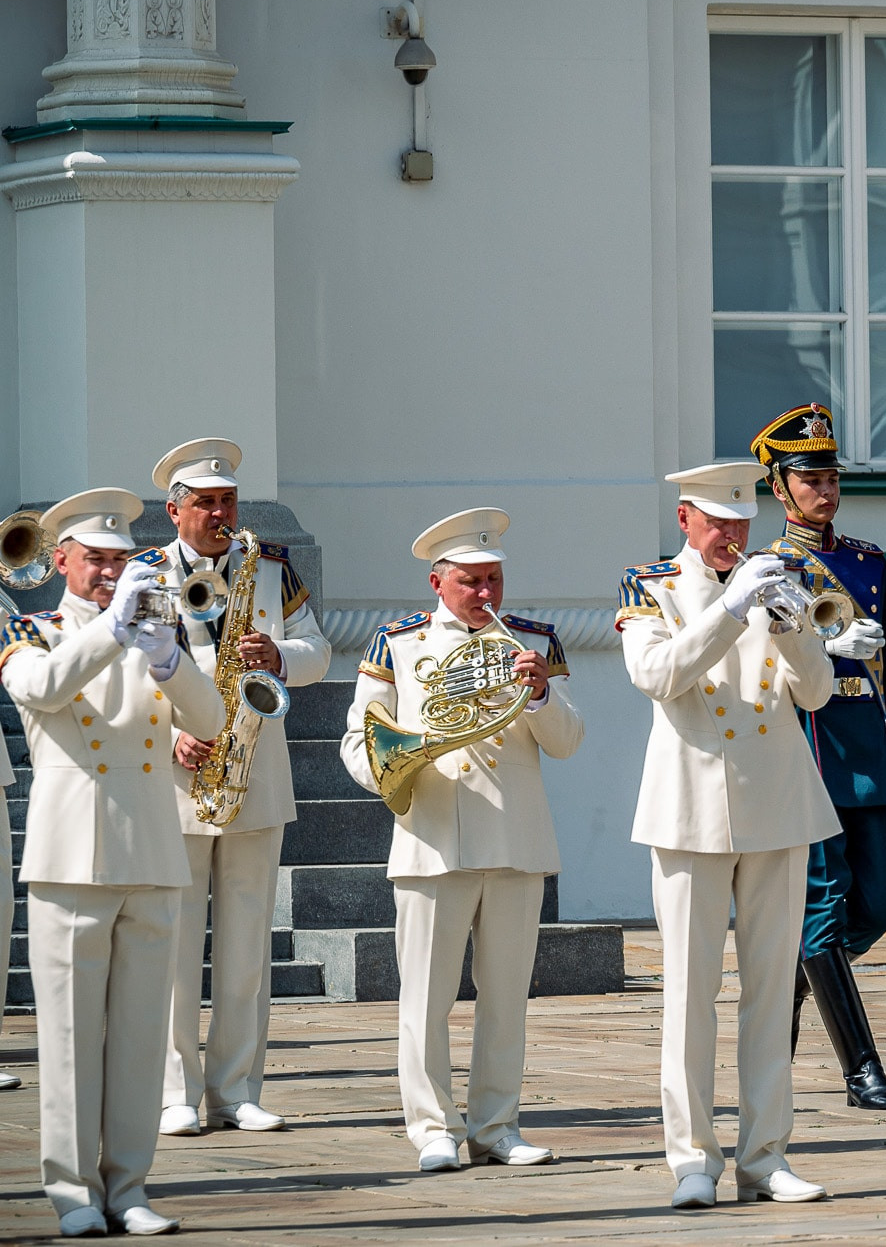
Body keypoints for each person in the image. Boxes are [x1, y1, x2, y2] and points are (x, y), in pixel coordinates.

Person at [620, 462, 838, 1208]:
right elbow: (658, 674)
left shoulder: (776, 578)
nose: (732, 538)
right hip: (690, 808)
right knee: (690, 991)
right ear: (685, 520)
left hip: (777, 802)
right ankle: (691, 1159)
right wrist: (728, 611)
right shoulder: (648, 587)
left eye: (742, 526)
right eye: (718, 525)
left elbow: (817, 692)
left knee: (773, 991)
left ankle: (765, 1154)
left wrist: (792, 626)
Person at [4, 489, 221, 1236]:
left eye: (120, 560)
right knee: (67, 1040)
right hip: (69, 859)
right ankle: (72, 1195)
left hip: (152, 850)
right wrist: (111, 627)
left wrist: (167, 656)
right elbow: (41, 687)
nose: (108, 571)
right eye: (94, 559)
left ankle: (129, 1187)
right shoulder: (30, 629)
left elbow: (213, 718)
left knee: (136, 1037)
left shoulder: (155, 627)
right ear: (59, 560)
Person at [339, 508, 583, 1172]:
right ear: (437, 582)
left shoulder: (533, 641)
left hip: (516, 839)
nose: (486, 595)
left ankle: (498, 1126)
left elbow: (566, 743)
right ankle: (432, 1128)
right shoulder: (398, 644)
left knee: (507, 1000)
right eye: (472, 581)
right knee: (426, 999)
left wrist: (539, 697)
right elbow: (360, 740)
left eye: (495, 579)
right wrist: (397, 765)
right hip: (434, 839)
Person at [141, 438, 330, 1139]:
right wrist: (168, 736)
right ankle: (174, 1095)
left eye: (227, 501)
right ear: (174, 511)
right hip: (179, 779)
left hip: (255, 773)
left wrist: (281, 654)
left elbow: (320, 649)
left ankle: (237, 1089)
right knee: (175, 946)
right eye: (205, 503)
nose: (219, 513)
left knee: (248, 944)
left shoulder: (269, 569)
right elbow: (128, 675)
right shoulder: (149, 578)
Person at [749, 404, 886, 1113]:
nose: (824, 491)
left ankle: (785, 991)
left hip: (866, 752)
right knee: (822, 908)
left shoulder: (866, 560)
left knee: (875, 909)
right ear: (780, 488)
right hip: (805, 747)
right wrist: (821, 650)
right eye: (809, 479)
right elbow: (757, 664)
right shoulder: (764, 569)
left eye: (830, 478)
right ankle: (862, 1071)